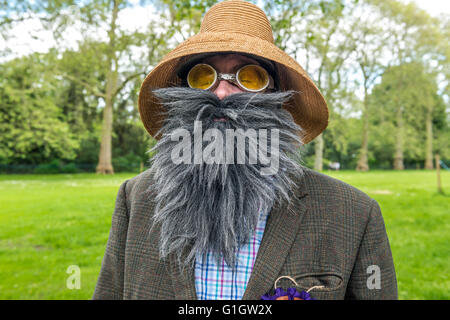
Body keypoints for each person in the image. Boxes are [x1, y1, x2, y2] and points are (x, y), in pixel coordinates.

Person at [93, 0, 397, 300]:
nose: (222, 92)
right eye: (203, 76)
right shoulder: (136, 200)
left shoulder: (352, 214)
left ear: (278, 96)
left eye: (249, 77)